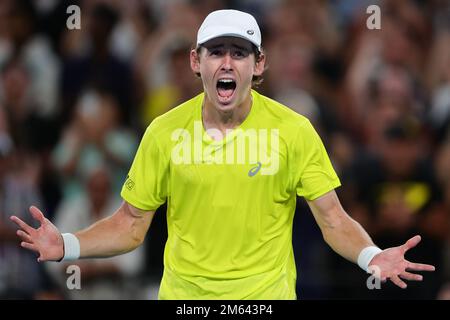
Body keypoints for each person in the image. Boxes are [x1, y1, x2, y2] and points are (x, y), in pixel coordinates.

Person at [10, 9, 435, 300]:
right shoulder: (163, 132)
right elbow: (131, 225)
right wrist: (66, 244)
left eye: (239, 53)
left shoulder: (294, 131)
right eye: (216, 52)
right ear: (197, 62)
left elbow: (333, 219)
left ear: (260, 64)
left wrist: (370, 255)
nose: (227, 63)